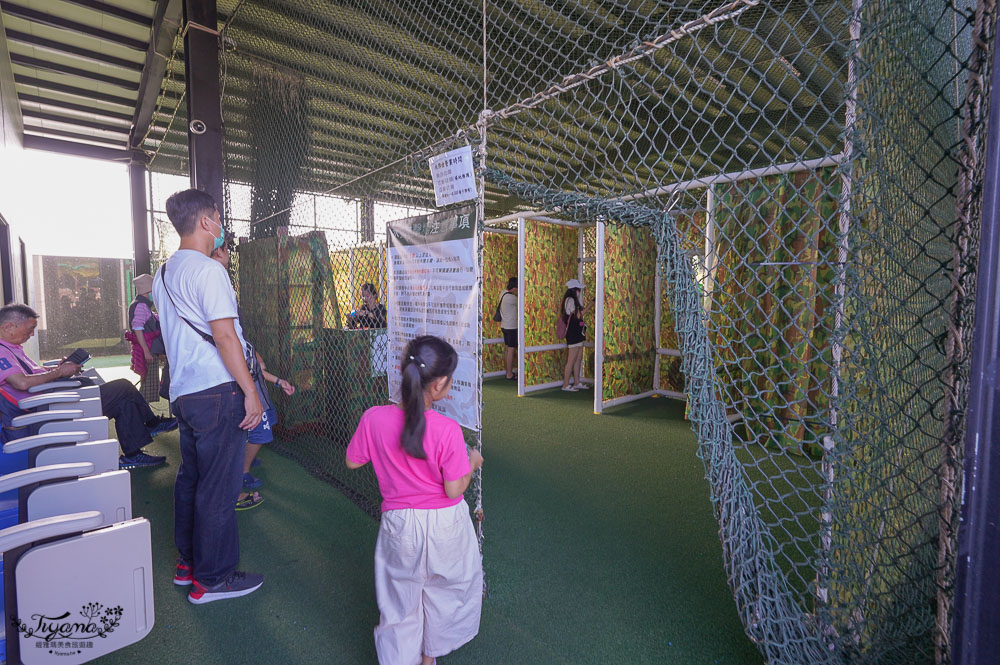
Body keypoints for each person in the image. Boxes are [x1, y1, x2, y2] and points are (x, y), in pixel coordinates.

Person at [154, 188, 264, 604]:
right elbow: (224, 336)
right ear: (205, 222)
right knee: (219, 488)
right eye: (218, 218)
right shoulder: (208, 270)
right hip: (217, 391)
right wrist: (250, 392)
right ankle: (213, 580)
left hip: (183, 393)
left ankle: (188, 565)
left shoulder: (165, 273)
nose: (220, 226)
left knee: (191, 479)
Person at [346, 335, 484, 665]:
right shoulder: (448, 429)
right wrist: (473, 463)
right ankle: (428, 657)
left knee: (399, 602)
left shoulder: (374, 418)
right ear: (439, 386)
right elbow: (454, 489)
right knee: (444, 593)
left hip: (400, 526)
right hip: (446, 527)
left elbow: (353, 461)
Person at [0, 303, 174, 467]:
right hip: (42, 413)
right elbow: (21, 382)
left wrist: (57, 368)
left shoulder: (12, 347)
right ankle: (151, 424)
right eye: (30, 329)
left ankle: (133, 454)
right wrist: (59, 373)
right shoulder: (2, 351)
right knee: (122, 388)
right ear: (9, 327)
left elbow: (30, 372)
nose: (31, 335)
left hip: (50, 402)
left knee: (123, 401)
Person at [210, 243, 296, 510]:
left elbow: (255, 367)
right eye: (219, 251)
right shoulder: (211, 280)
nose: (224, 254)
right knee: (260, 433)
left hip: (252, 382)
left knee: (261, 425)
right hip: (242, 387)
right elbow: (228, 342)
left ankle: (244, 463)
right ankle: (242, 472)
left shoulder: (240, 336)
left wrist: (279, 380)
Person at [126, 273, 163, 403]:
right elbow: (138, 328)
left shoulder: (141, 305)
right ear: (149, 290)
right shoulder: (141, 306)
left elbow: (152, 317)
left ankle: (145, 416)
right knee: (148, 385)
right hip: (148, 348)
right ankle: (144, 416)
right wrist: (146, 351)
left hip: (148, 347)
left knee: (148, 381)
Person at [561, 278, 587, 392]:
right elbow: (578, 315)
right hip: (573, 333)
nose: (579, 292)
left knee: (578, 358)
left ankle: (577, 382)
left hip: (577, 332)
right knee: (572, 359)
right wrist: (591, 304)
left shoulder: (572, 300)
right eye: (578, 290)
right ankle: (565, 384)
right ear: (575, 290)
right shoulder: (570, 300)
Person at [498, 276, 518, 380]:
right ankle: (509, 374)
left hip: (504, 326)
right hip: (512, 327)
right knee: (511, 350)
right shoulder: (512, 298)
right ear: (514, 288)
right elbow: (522, 302)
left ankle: (508, 372)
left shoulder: (503, 293)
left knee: (507, 349)